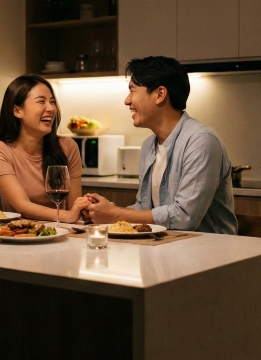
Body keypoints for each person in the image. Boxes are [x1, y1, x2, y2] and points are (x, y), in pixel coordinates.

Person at [84, 56, 238, 234]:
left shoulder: (201, 141)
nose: (127, 100)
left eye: (132, 91)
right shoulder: (149, 145)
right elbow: (144, 207)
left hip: (209, 249)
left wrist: (115, 215)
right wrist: (104, 212)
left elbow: (184, 218)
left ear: (160, 94)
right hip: (165, 246)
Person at [0, 75, 91, 223]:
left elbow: (74, 207)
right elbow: (22, 205)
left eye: (52, 102)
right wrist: (67, 216)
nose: (51, 108)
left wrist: (86, 207)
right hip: (17, 232)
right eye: (41, 101)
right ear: (17, 111)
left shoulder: (67, 146)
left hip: (60, 231)